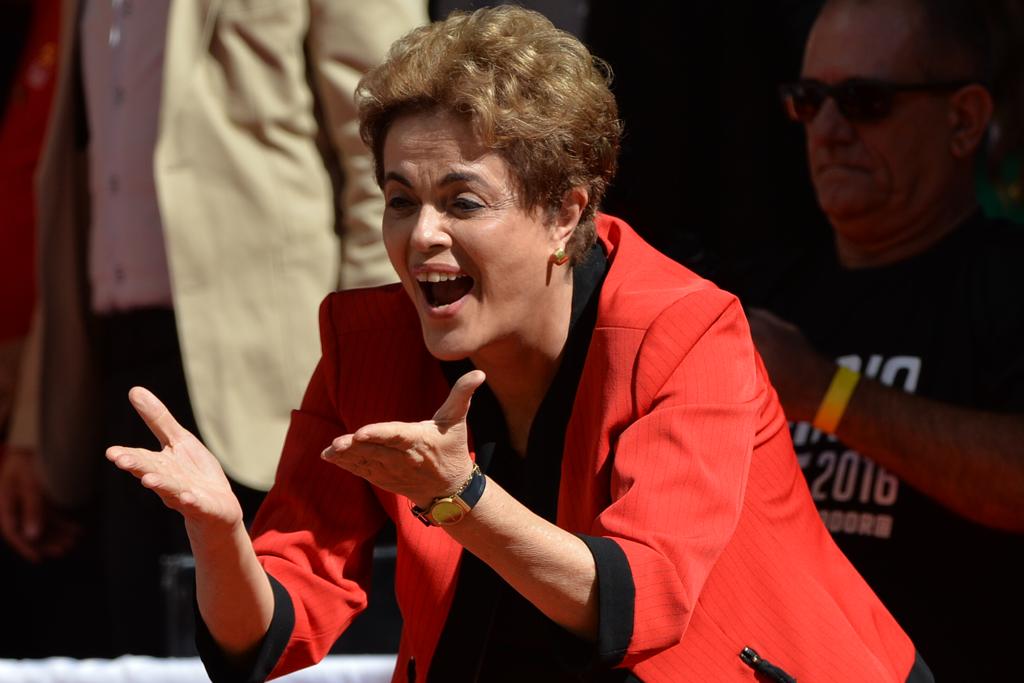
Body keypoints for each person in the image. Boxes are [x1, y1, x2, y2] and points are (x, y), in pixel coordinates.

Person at [107, 7, 932, 681]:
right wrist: (220, 534)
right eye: (400, 199)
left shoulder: (685, 328)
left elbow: (638, 601)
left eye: (462, 202)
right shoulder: (367, 343)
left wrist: (457, 492)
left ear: (565, 212)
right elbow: (279, 625)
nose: (421, 235)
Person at [0, 0, 426, 656]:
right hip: (117, 369)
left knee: (281, 645)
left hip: (282, 376)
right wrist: (33, 419)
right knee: (142, 652)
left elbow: (393, 153)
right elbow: (73, 188)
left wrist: (369, 365)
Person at [748, 0, 1024, 678]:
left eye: (866, 100)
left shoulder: (1005, 280)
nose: (830, 129)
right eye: (809, 100)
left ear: (963, 120)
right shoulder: (765, 294)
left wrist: (827, 393)